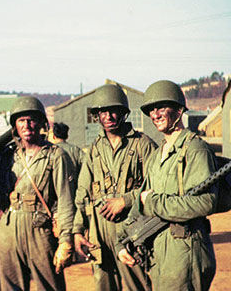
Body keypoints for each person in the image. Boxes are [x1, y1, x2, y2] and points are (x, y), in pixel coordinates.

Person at [0, 96, 75, 291]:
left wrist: (65, 241)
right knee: (11, 286)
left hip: (40, 230)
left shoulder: (56, 156)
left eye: (31, 119)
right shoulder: (6, 157)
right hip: (9, 230)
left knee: (49, 287)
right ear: (14, 124)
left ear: (40, 122)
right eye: (21, 120)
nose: (27, 125)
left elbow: (66, 201)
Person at [116, 80, 218, 291]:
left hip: (186, 248)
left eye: (161, 107)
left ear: (179, 110)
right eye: (151, 110)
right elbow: (140, 201)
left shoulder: (195, 149)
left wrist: (153, 202)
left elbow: (207, 202)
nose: (155, 114)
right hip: (160, 249)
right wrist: (121, 240)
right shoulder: (157, 154)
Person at [72, 84, 157, 291]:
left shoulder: (143, 145)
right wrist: (77, 230)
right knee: (103, 286)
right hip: (99, 234)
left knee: (136, 285)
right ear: (97, 116)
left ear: (124, 113)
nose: (108, 116)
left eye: (114, 111)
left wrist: (125, 201)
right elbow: (83, 194)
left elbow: (157, 188)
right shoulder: (93, 150)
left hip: (132, 229)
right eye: (103, 111)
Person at [52, 122, 85, 192]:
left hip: (54, 189)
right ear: (67, 136)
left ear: (54, 136)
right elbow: (86, 164)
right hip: (72, 188)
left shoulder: (50, 151)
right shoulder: (75, 149)